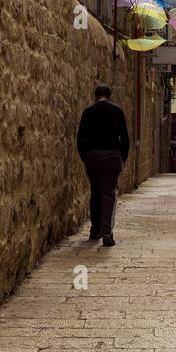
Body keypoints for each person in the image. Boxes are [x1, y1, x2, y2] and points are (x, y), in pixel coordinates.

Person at [76, 84, 130, 246]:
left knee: (95, 192)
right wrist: (123, 156)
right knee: (108, 194)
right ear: (110, 96)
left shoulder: (88, 112)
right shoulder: (117, 111)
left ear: (95, 97)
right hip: (112, 156)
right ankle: (107, 232)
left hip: (93, 156)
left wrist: (84, 156)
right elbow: (124, 137)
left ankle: (95, 230)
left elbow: (80, 137)